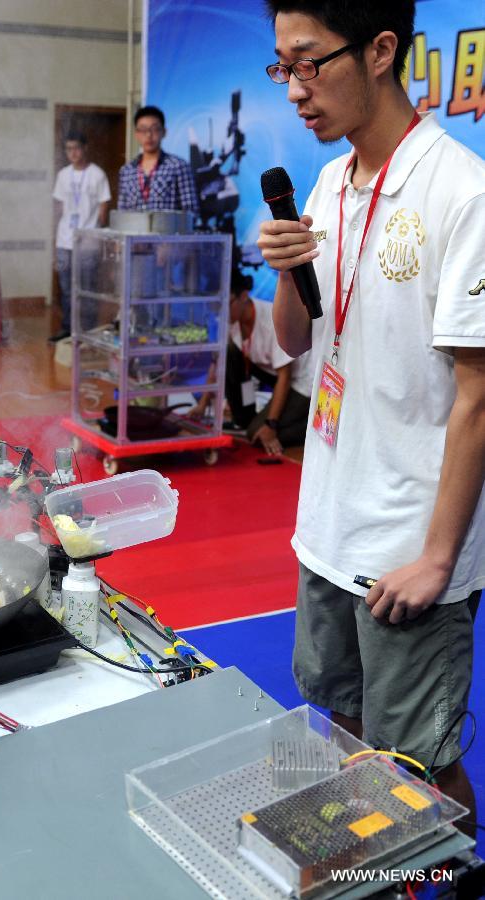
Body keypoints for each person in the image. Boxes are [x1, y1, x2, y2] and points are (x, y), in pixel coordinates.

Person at [258, 0, 484, 827]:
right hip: (327, 523)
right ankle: (370, 872)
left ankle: (452, 875)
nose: (293, 88)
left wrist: (436, 560)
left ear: (379, 50)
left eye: (308, 62)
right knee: (346, 731)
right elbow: (296, 342)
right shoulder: (326, 183)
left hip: (408, 548)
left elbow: (478, 396)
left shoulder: (461, 192)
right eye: (282, 67)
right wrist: (287, 270)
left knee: (418, 765)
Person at [192, 271, 313, 453]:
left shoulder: (269, 320)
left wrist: (271, 424)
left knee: (256, 435)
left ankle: (311, 426)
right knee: (229, 352)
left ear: (243, 296)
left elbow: (285, 377)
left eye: (226, 305)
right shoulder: (231, 321)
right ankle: (245, 418)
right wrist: (202, 405)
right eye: (217, 307)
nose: (222, 313)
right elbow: (217, 364)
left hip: (301, 381)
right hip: (270, 372)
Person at [49, 132, 111, 342]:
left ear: (85, 148)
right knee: (67, 288)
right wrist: (56, 234)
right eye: (68, 149)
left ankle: (87, 331)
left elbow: (104, 206)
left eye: (76, 148)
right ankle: (68, 328)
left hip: (88, 240)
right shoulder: (63, 175)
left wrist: (97, 234)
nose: (73, 153)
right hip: (65, 239)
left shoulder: (97, 174)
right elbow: (59, 206)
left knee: (87, 288)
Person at [118, 106, 199, 213]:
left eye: (154, 129)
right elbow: (122, 212)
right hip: (134, 225)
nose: (148, 135)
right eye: (143, 130)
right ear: (136, 134)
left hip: (168, 225)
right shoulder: (127, 171)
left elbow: (191, 211)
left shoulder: (178, 166)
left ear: (164, 132)